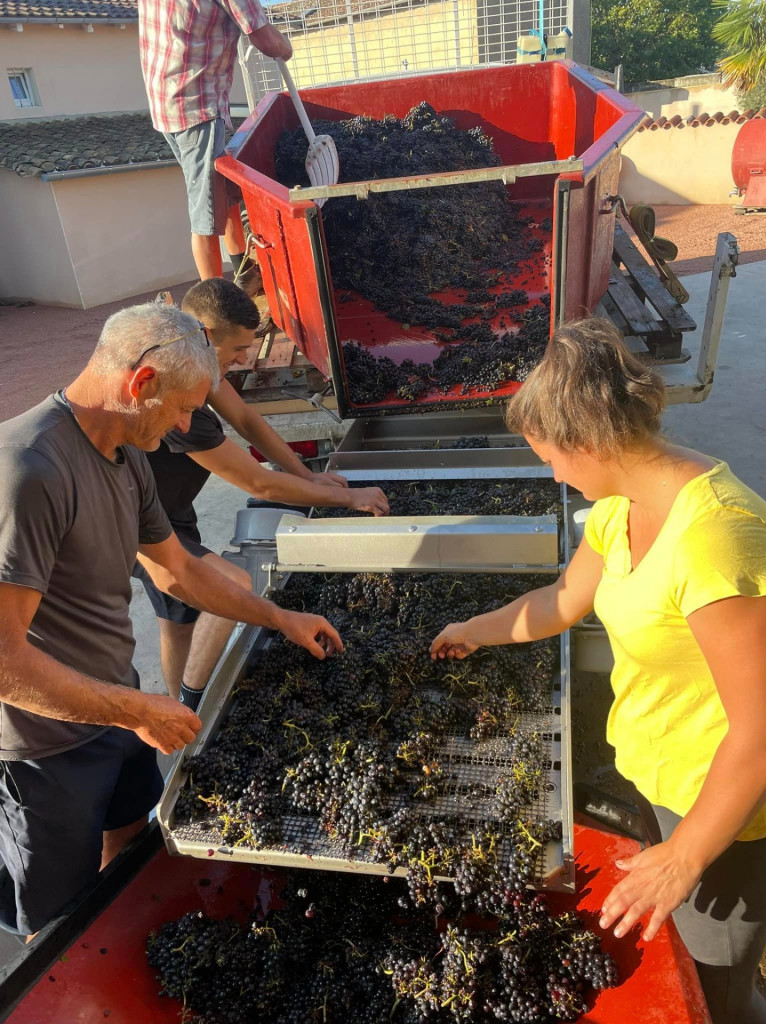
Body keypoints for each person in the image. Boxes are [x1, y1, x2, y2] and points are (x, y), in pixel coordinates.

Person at [430, 317, 766, 1024]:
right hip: (659, 776)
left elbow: (760, 731)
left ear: (589, 442)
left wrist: (685, 856)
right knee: (677, 952)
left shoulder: (717, 538)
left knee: (715, 988)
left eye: (552, 459)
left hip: (727, 815)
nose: (553, 475)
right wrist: (473, 632)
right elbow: (561, 601)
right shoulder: (620, 506)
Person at [0, 302, 342, 938]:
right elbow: (3, 662)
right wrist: (135, 710)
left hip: (115, 703)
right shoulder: (27, 470)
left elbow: (177, 570)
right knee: (56, 924)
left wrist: (279, 617)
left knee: (125, 862)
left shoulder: (128, 454)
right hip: (45, 749)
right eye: (183, 409)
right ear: (142, 382)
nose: (187, 425)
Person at [136, 278, 389, 710]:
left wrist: (307, 477)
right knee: (231, 583)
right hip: (137, 521)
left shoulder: (195, 359)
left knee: (179, 618)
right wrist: (349, 499)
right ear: (205, 334)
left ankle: (176, 703)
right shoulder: (177, 393)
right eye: (237, 349)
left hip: (169, 507)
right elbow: (258, 483)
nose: (243, 359)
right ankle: (192, 710)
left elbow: (248, 421)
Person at [137, 0, 292, 286]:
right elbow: (267, 41)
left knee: (222, 187)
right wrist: (286, 47)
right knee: (206, 215)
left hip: (165, 101)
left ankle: (244, 274)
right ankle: (217, 304)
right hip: (196, 105)